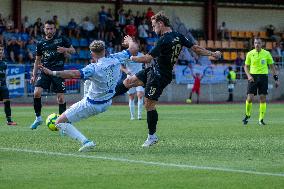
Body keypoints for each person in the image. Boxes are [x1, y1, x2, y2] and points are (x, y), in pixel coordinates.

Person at [114, 12, 221, 147]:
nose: (153, 29)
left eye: (153, 26)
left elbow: (147, 58)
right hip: (153, 70)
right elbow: (196, 49)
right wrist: (212, 53)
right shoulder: (179, 36)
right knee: (129, 82)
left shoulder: (164, 40)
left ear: (160, 24)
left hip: (160, 75)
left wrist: (129, 57)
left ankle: (152, 137)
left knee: (148, 104)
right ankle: (106, 96)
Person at [39, 39, 139, 152]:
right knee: (87, 82)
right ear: (105, 50)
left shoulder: (93, 68)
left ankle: (86, 142)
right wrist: (130, 40)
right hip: (107, 102)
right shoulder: (116, 58)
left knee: (59, 122)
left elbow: (72, 74)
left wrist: (52, 73)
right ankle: (70, 120)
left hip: (92, 104)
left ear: (92, 53)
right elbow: (134, 48)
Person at [30, 20, 75, 130]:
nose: (49, 30)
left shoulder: (61, 39)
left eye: (51, 28)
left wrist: (65, 49)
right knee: (37, 93)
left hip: (58, 72)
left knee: (60, 99)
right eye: (47, 28)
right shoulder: (40, 43)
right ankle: (38, 118)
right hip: (45, 71)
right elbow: (37, 60)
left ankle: (63, 124)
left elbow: (73, 51)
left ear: (55, 29)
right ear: (44, 29)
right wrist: (33, 75)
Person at [242, 37, 280, 126]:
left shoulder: (266, 54)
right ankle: (247, 115)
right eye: (255, 43)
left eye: (258, 43)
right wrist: (249, 76)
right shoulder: (250, 54)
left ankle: (261, 119)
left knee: (263, 98)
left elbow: (272, 67)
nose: (257, 44)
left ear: (262, 44)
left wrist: (276, 79)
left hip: (263, 77)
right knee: (250, 98)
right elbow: (245, 67)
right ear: (253, 44)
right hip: (253, 77)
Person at [120, 51, 144, 120]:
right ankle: (132, 116)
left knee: (140, 95)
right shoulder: (126, 56)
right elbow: (121, 66)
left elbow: (147, 62)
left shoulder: (141, 55)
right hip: (129, 78)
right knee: (131, 97)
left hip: (139, 78)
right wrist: (126, 71)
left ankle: (139, 115)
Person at [0, 44, 17, 126]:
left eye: (2, 50)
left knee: (7, 102)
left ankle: (9, 121)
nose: (1, 51)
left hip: (3, 86)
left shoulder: (5, 62)